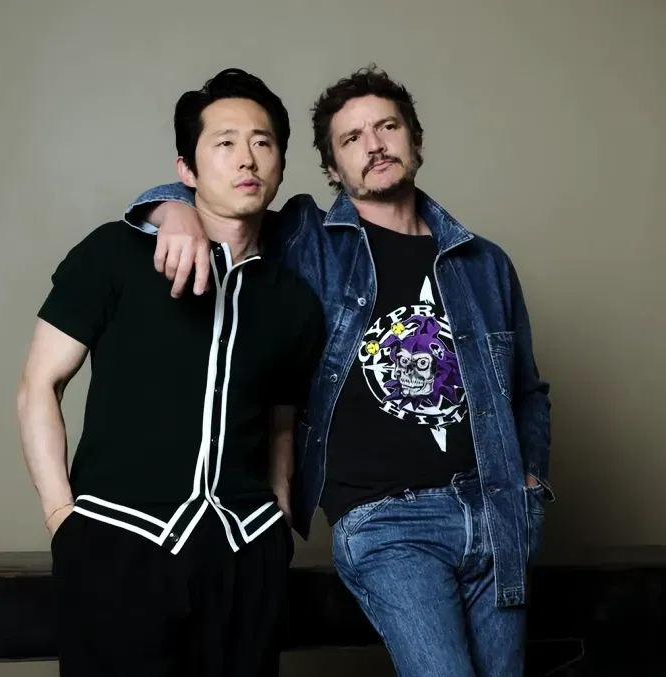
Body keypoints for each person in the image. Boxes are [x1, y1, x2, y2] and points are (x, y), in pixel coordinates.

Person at [123, 65, 554, 677]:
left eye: (387, 127)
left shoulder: (484, 263)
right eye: (352, 138)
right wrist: (174, 211)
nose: (374, 145)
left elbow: (527, 391)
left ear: (415, 139)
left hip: (497, 514)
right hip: (388, 522)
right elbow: (221, 201)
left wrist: (531, 484)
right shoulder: (308, 238)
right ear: (331, 166)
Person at [15, 68, 326, 677]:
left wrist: (279, 520)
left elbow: (282, 424)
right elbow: (38, 387)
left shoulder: (294, 300)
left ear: (282, 164)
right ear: (186, 168)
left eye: (262, 142)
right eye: (225, 142)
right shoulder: (114, 253)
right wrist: (61, 519)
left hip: (246, 555)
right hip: (115, 544)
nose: (247, 158)